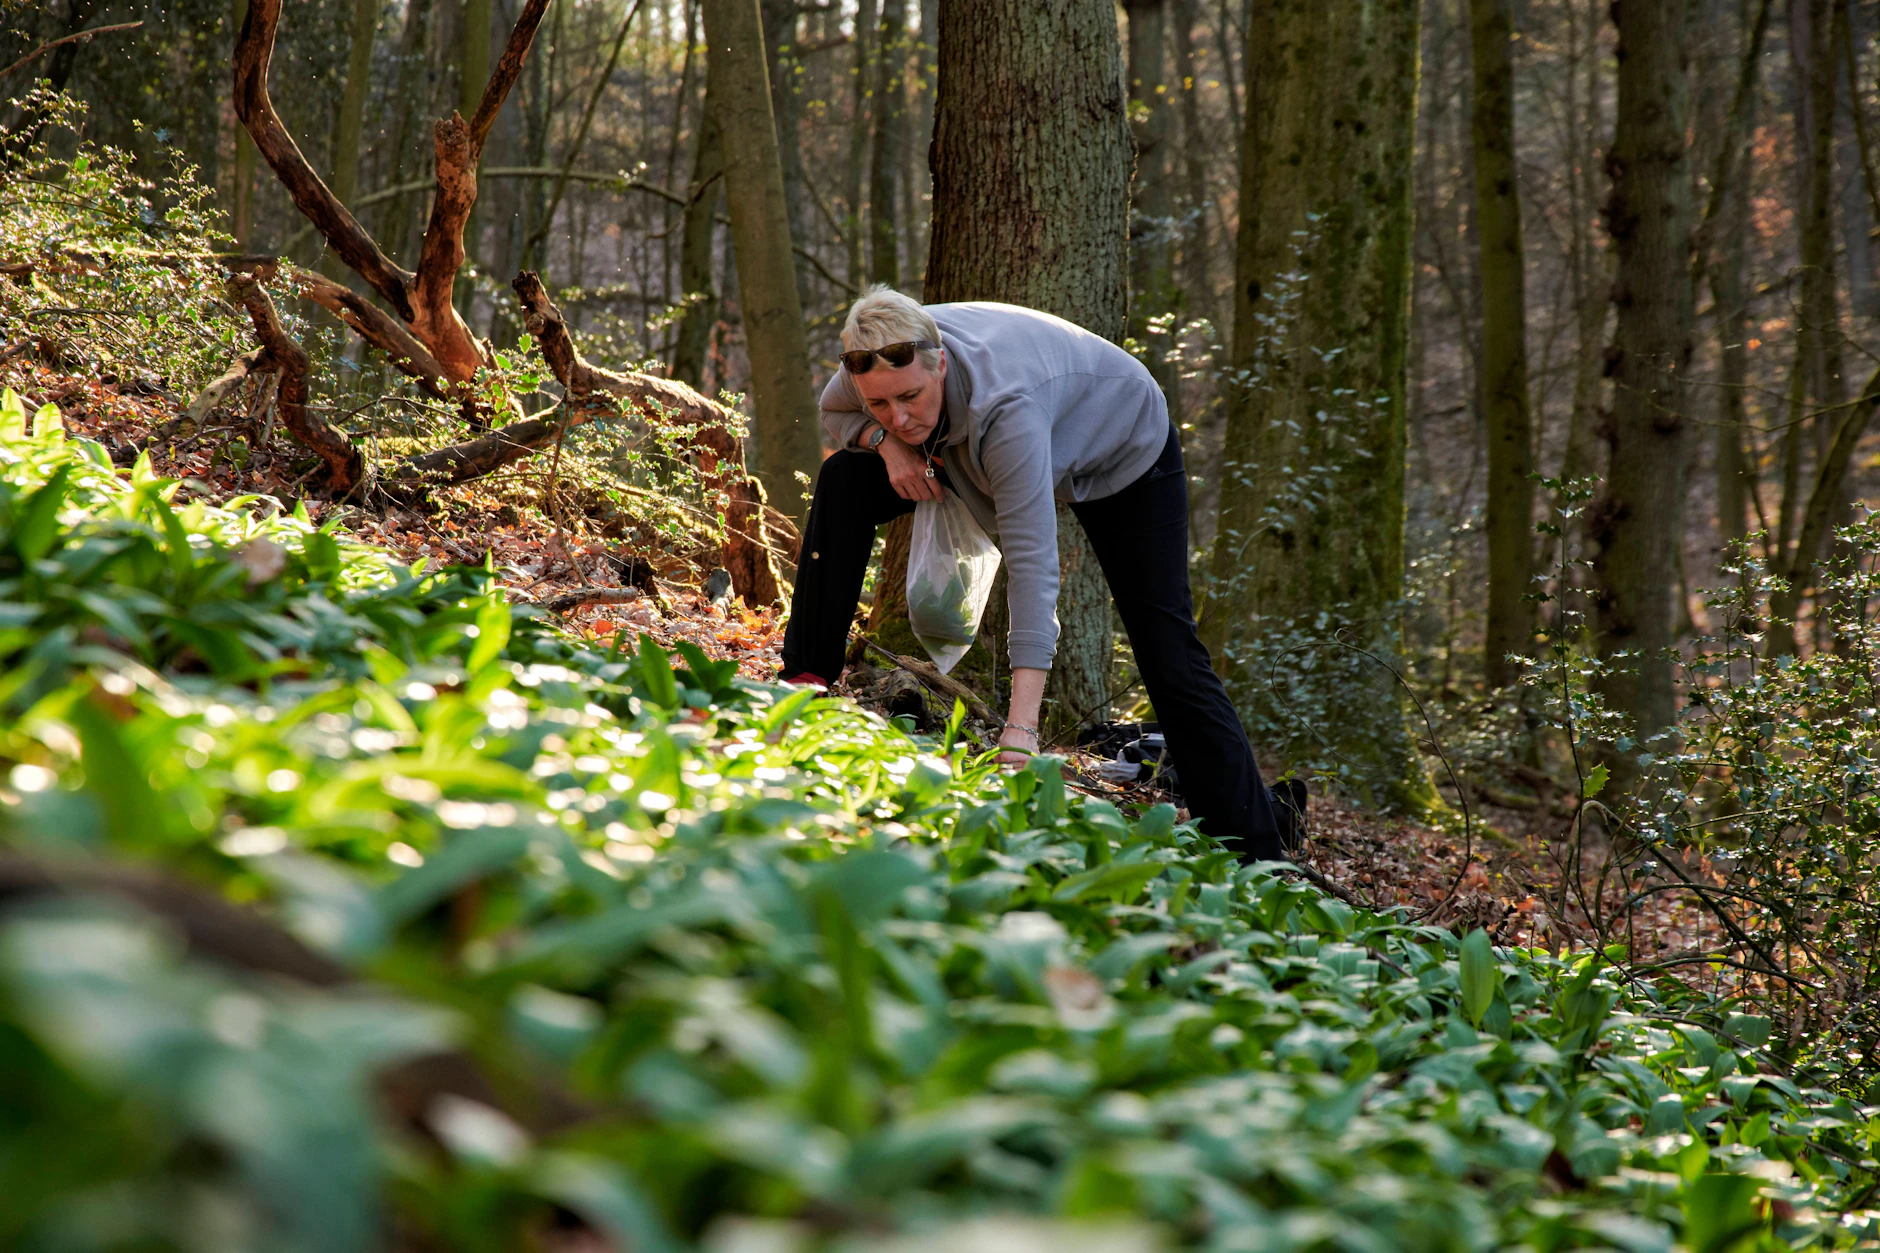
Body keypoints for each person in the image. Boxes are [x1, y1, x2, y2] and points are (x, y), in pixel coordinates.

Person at [779, 287, 1300, 861]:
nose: (898, 416)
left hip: (1124, 450)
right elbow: (835, 411)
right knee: (844, 482)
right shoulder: (873, 375)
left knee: (1167, 650)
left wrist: (1021, 729)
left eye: (910, 397)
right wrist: (885, 444)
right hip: (967, 439)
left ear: (941, 362)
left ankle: (1260, 842)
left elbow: (1032, 567)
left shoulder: (1009, 411)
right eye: (879, 404)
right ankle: (806, 681)